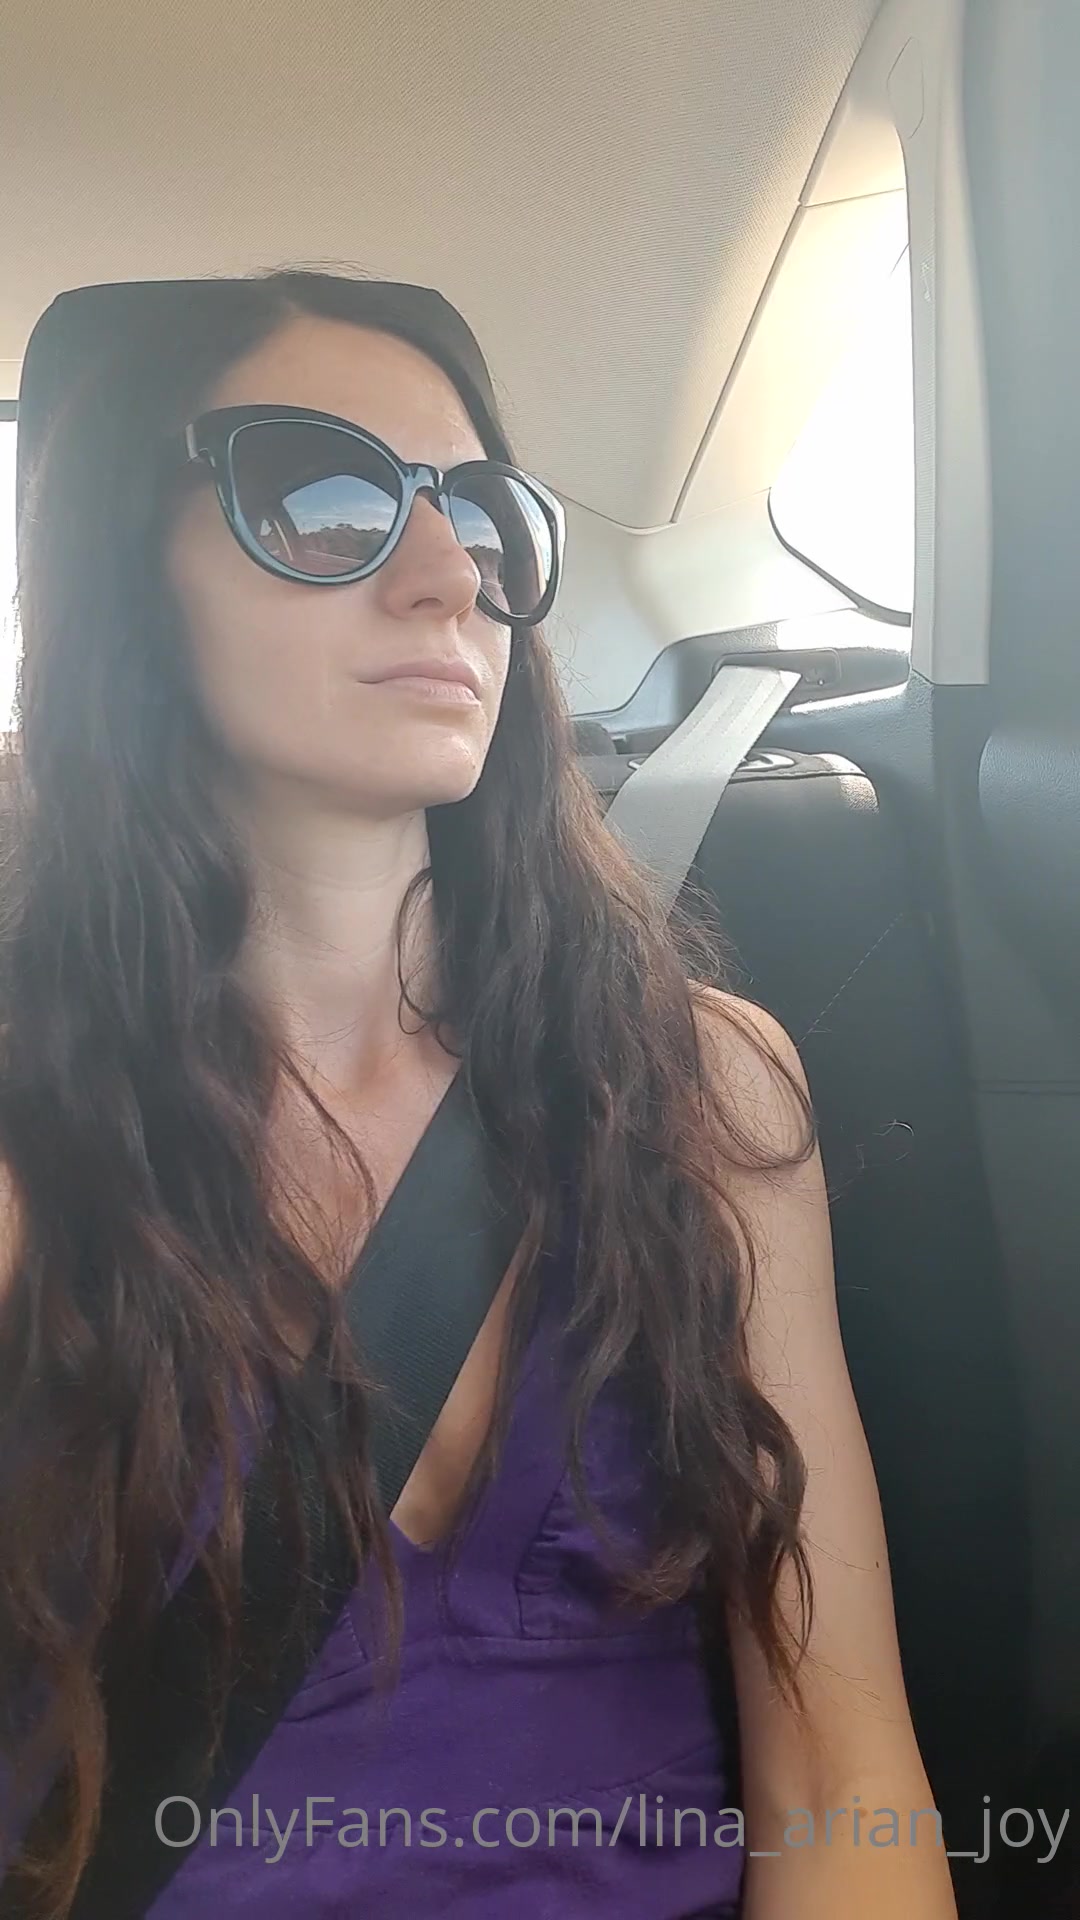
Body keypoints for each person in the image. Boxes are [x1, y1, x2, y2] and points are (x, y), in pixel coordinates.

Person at [0, 268, 956, 1919]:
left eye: (484, 518)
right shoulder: (31, 1154)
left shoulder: (700, 1088)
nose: (452, 578)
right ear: (119, 571)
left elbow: (842, 1765)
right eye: (324, 502)